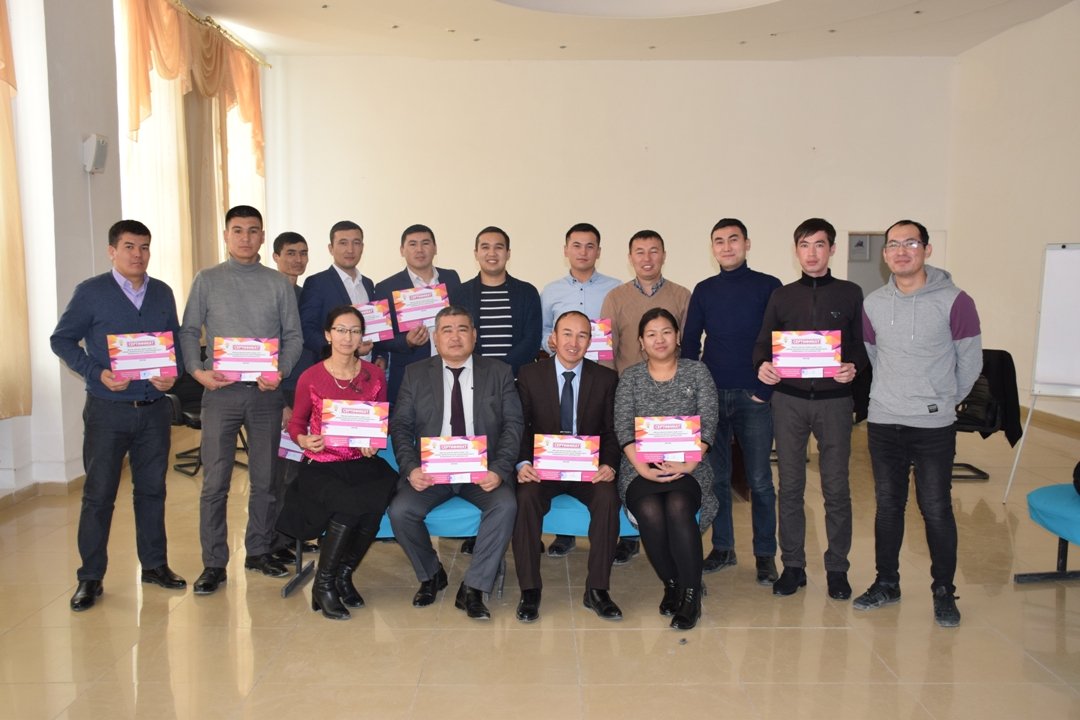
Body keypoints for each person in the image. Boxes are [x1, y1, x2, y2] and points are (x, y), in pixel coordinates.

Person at [50, 219, 186, 611]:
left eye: (144, 247)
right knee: (99, 495)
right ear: (112, 251)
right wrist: (97, 373)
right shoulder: (91, 292)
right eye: (129, 247)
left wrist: (172, 374)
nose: (137, 255)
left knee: (152, 491)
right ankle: (90, 577)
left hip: (154, 411)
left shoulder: (162, 292)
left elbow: (174, 344)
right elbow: (61, 339)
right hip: (107, 412)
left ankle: (155, 565)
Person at [855, 219, 981, 628]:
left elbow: (970, 361)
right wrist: (892, 395)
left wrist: (942, 399)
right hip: (884, 421)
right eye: (893, 244)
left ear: (926, 249)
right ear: (885, 254)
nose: (901, 251)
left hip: (932, 426)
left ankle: (944, 591)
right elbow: (874, 355)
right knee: (888, 507)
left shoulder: (955, 301)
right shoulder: (873, 303)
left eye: (910, 243)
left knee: (936, 508)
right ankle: (886, 583)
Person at [179, 205, 303, 594]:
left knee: (266, 479)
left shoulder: (278, 283)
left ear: (262, 237)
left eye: (253, 231)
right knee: (215, 482)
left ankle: (259, 550)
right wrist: (197, 371)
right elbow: (188, 331)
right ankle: (214, 563)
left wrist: (280, 371)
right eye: (237, 230)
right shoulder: (207, 279)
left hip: (265, 395)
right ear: (226, 236)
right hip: (221, 394)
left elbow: (293, 336)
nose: (245, 238)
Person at [753, 218, 867, 600]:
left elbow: (861, 346)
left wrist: (853, 365)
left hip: (834, 402)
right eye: (804, 245)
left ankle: (837, 568)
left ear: (832, 249)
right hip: (789, 401)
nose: (812, 253)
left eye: (819, 245)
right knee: (790, 487)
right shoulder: (782, 296)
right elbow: (763, 344)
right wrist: (762, 365)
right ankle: (793, 566)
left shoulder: (850, 293)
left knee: (836, 488)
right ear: (796, 250)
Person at [387, 306, 522, 620]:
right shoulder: (416, 373)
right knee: (401, 511)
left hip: (482, 470)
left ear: (474, 335)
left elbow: (514, 425)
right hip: (432, 472)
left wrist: (499, 470)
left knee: (505, 505)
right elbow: (401, 426)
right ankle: (431, 573)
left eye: (462, 329)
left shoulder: (499, 372)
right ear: (435, 337)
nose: (455, 336)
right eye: (447, 330)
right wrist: (411, 469)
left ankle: (474, 586)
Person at [276, 306, 398, 620]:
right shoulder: (311, 377)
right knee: (350, 504)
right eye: (341, 330)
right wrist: (303, 440)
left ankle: (343, 574)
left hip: (360, 461)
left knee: (376, 500)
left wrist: (374, 441)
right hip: (322, 463)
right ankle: (324, 583)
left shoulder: (374, 375)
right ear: (328, 335)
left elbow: (381, 421)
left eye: (355, 331)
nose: (347, 337)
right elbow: (297, 423)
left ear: (362, 337)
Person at [682, 218, 781, 585]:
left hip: (753, 396)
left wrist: (764, 392)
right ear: (712, 248)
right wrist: (693, 393)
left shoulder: (769, 286)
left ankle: (765, 555)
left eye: (733, 240)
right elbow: (690, 343)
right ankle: (723, 548)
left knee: (760, 480)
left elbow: (780, 340)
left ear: (747, 244)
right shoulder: (704, 290)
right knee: (717, 479)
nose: (726, 247)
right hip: (711, 397)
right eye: (719, 241)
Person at [512, 311, 622, 623]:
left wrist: (609, 464)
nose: (574, 342)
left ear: (590, 341)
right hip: (543, 468)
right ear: (554, 338)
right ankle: (530, 589)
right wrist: (522, 463)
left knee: (607, 498)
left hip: (588, 468)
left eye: (582, 335)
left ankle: (597, 589)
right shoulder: (530, 375)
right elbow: (519, 426)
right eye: (567, 334)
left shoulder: (605, 379)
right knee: (525, 497)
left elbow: (612, 431)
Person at [614, 308, 718, 630]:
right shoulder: (631, 377)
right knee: (649, 509)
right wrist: (642, 468)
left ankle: (691, 596)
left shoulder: (697, 372)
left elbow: (709, 421)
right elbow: (622, 427)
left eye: (666, 332)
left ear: (678, 337)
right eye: (651, 334)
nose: (659, 340)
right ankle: (673, 583)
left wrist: (689, 464)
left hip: (691, 464)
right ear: (641, 342)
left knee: (678, 504)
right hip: (639, 466)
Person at [599, 229, 691, 565]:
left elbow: (689, 347)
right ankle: (629, 535)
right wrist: (614, 396)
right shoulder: (615, 297)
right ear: (630, 258)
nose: (647, 258)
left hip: (673, 403)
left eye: (654, 251)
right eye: (640, 252)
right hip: (630, 398)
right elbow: (606, 353)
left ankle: (672, 530)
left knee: (669, 469)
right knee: (631, 468)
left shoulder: (682, 295)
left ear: (664, 255)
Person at [538, 222, 621, 559]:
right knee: (562, 446)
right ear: (566, 250)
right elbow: (544, 330)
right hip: (564, 378)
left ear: (598, 251)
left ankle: (622, 535)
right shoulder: (551, 291)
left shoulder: (616, 289)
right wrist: (556, 344)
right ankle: (565, 534)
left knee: (601, 448)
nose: (583, 252)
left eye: (590, 246)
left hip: (602, 380)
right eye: (577, 245)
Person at [373, 224, 462, 404]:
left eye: (425, 243)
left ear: (435, 248)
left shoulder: (451, 278)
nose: (419, 249)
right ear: (402, 250)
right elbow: (381, 339)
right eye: (413, 244)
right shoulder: (386, 287)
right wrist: (406, 341)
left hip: (451, 368)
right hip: (409, 372)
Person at [271, 231, 314, 561]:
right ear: (276, 257)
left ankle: (290, 537)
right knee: (277, 472)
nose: (297, 259)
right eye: (290, 253)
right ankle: (272, 540)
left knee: (298, 470)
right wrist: (281, 403)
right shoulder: (268, 292)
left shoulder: (305, 295)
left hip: (306, 389)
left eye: (302, 253)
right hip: (280, 391)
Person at [458, 226, 541, 377]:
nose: (492, 253)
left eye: (499, 247)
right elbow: (458, 338)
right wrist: (483, 370)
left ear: (508, 253)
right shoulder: (461, 294)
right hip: (473, 378)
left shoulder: (527, 293)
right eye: (485, 247)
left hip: (516, 379)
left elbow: (532, 340)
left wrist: (502, 369)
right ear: (476, 254)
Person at [299, 221, 377, 364]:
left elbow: (375, 326)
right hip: (333, 368)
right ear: (331, 248)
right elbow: (307, 330)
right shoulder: (317, 283)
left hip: (366, 367)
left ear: (362, 247)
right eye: (343, 243)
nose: (350, 250)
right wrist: (344, 351)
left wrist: (379, 356)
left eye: (356, 243)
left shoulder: (368, 283)